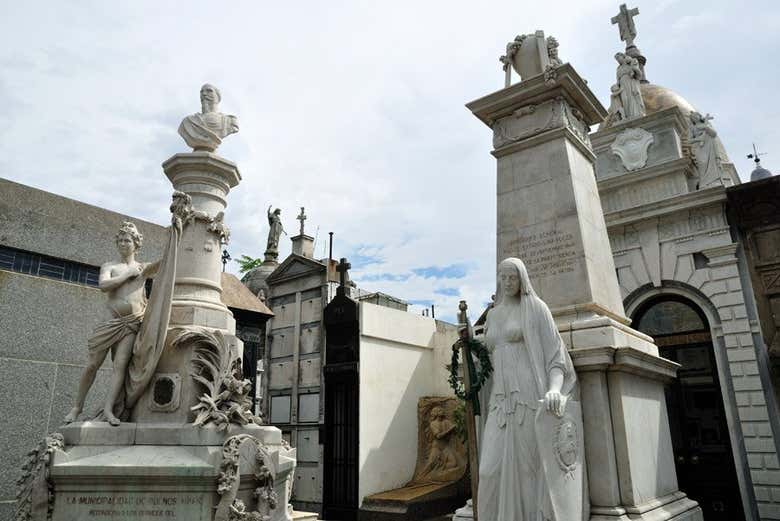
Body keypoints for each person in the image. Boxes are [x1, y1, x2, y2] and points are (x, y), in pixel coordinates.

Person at [477, 257, 579, 520]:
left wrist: (555, 389)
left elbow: (555, 355)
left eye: (513, 277)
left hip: (529, 395)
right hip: (500, 401)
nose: (508, 282)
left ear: (522, 279)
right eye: (504, 277)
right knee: (489, 470)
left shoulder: (535, 308)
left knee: (529, 469)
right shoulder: (493, 314)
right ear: (498, 279)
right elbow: (486, 356)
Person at [64, 222, 159, 426]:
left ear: (136, 244)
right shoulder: (110, 266)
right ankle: (76, 407)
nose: (124, 243)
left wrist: (178, 237)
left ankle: (108, 409)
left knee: (120, 366)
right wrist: (127, 274)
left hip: (132, 324)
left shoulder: (143, 268)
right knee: (92, 365)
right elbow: (104, 285)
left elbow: (163, 264)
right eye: (121, 240)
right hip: (110, 321)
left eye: (128, 240)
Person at [178, 83, 239, 152]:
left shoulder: (229, 121)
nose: (204, 94)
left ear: (217, 97)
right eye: (201, 92)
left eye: (209, 91)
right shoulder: (188, 121)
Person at [615, 52, 645, 120]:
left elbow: (638, 74)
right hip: (622, 86)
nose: (618, 60)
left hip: (630, 83)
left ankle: (635, 114)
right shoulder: (618, 68)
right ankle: (627, 116)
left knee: (632, 98)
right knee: (625, 100)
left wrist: (633, 68)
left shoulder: (631, 63)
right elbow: (618, 80)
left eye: (618, 58)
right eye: (616, 59)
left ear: (623, 56)